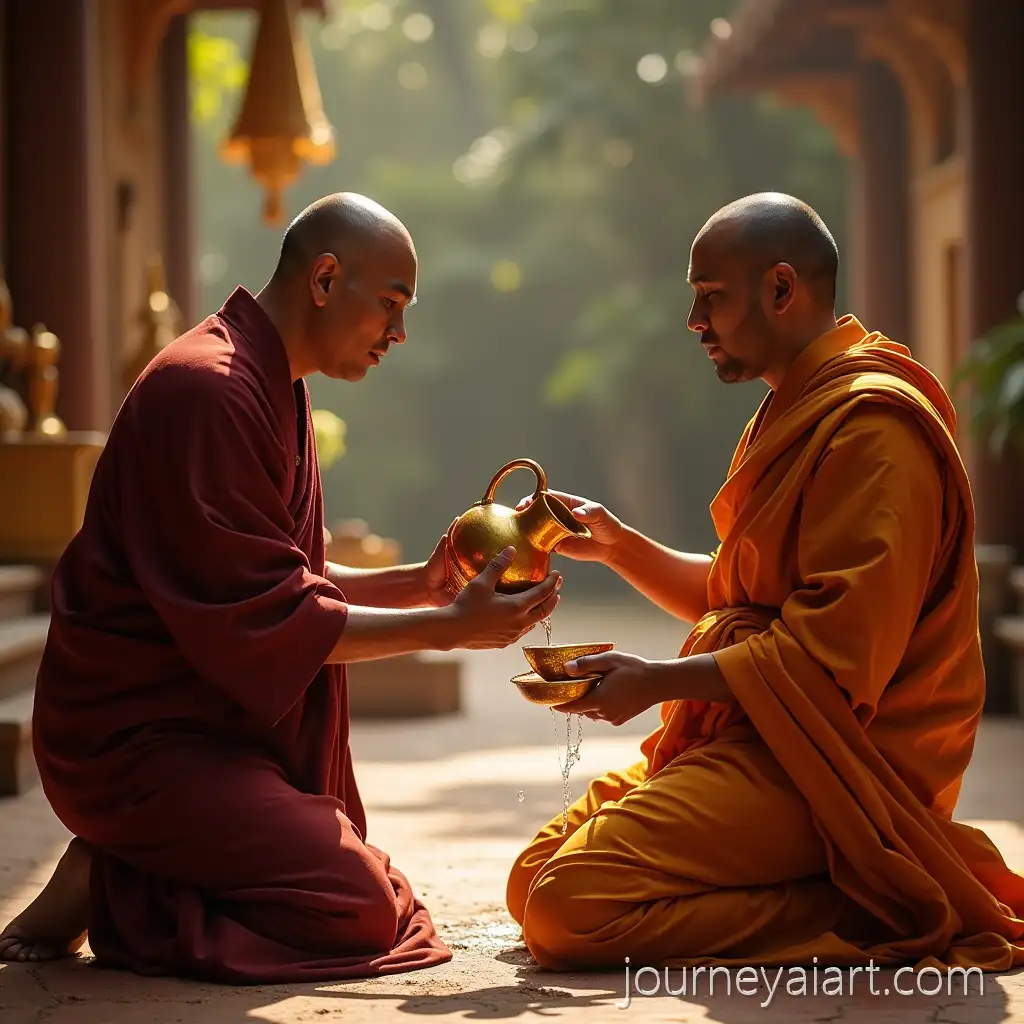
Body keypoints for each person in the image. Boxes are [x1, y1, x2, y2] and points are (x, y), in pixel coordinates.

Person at [0, 193, 562, 981]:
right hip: (134, 744)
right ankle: (112, 880)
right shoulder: (207, 390)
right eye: (391, 305)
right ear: (326, 279)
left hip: (212, 732)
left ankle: (145, 860)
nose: (399, 333)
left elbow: (272, 578)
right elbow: (267, 616)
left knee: (359, 883)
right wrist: (449, 630)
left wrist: (423, 586)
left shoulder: (274, 386)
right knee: (357, 907)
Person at [506, 192, 1024, 974]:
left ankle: (882, 893)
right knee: (527, 882)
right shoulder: (793, 410)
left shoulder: (875, 429)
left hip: (837, 765)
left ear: (782, 289)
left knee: (564, 911)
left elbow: (831, 656)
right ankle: (853, 883)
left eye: (710, 297)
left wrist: (656, 681)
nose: (694, 322)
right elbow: (743, 599)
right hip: (766, 740)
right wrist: (619, 546)